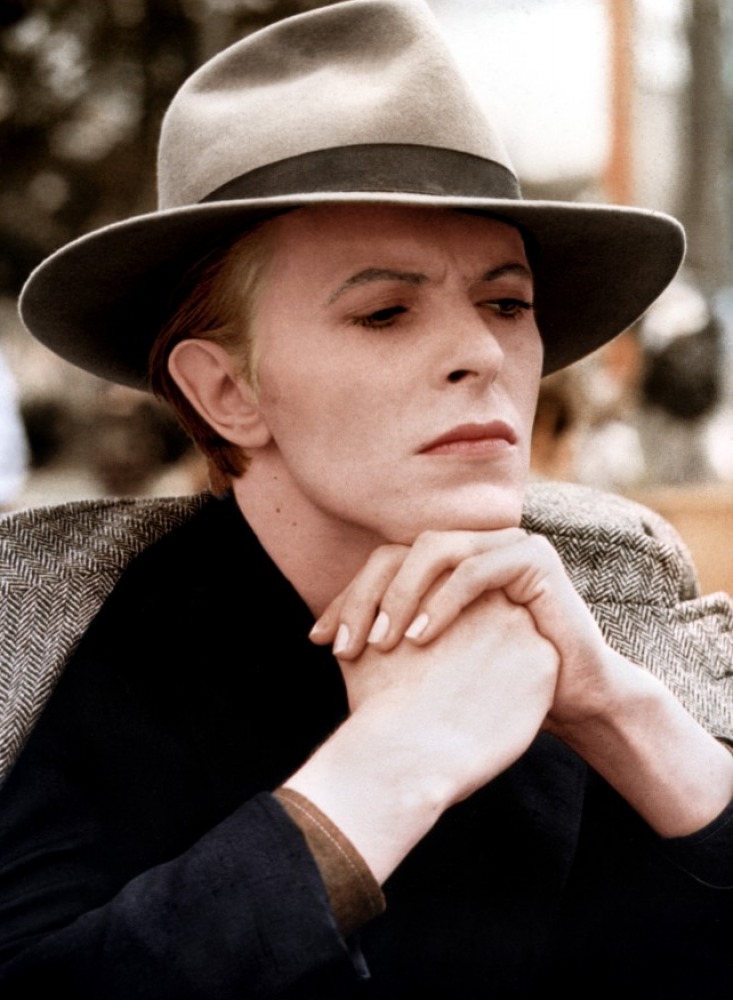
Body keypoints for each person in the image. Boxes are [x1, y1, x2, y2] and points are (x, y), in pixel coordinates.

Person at [1, 1, 733, 996]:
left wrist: (621, 712)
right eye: (385, 311)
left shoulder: (606, 613)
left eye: (506, 302)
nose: (482, 352)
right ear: (227, 390)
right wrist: (387, 771)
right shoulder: (78, 656)